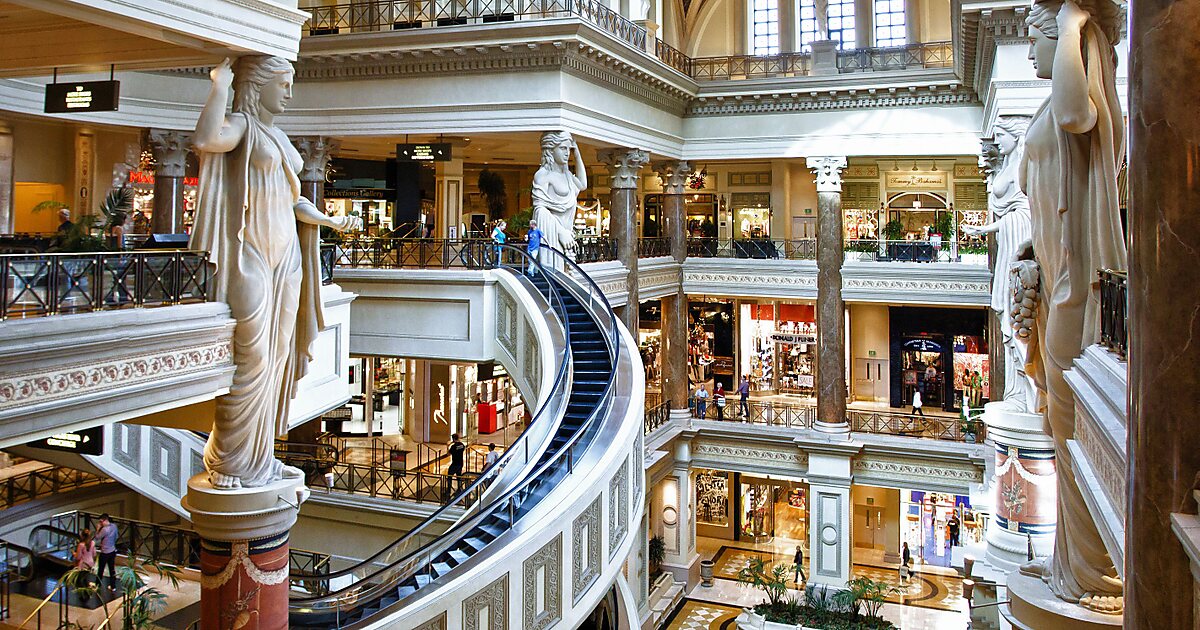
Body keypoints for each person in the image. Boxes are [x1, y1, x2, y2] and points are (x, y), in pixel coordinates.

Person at [191, 56, 361, 490]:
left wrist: (331, 221)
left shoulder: (282, 139)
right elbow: (207, 138)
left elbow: (295, 201)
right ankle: (229, 461)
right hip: (251, 254)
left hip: (286, 260)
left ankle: (261, 458)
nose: (289, 92)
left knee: (278, 357)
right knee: (252, 359)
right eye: (283, 83)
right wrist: (219, 85)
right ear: (259, 86)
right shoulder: (243, 127)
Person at [531, 131, 586, 271]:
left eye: (568, 149)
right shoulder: (543, 175)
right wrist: (560, 231)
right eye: (563, 148)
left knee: (566, 273)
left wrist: (577, 153)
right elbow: (539, 209)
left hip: (566, 233)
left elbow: (583, 184)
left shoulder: (567, 175)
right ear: (550, 149)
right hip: (554, 234)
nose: (567, 153)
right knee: (556, 273)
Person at [95, 514, 118, 590]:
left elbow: (97, 537)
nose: (100, 524)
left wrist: (97, 529)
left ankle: (97, 584)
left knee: (101, 569)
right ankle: (113, 586)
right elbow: (116, 537)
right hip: (112, 550)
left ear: (105, 520)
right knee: (112, 569)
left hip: (105, 552)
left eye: (101, 522)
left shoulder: (104, 529)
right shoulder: (114, 526)